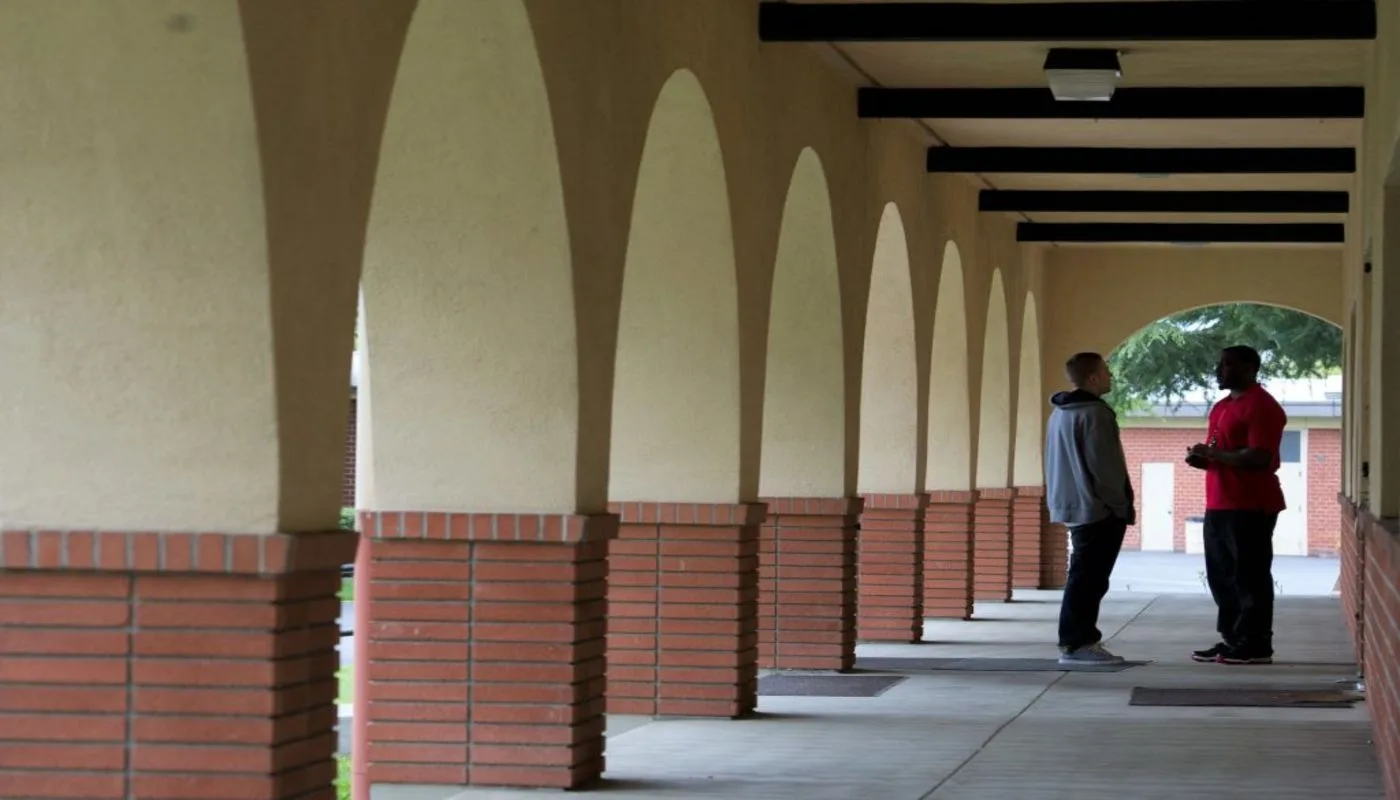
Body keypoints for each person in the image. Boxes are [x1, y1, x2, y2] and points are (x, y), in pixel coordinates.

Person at [1186, 345, 1287, 665]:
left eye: (1227, 365)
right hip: (1219, 502)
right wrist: (1203, 459)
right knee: (1222, 577)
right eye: (1220, 364)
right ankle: (1232, 639)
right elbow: (1223, 452)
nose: (1219, 370)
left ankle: (1256, 645)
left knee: (1249, 577)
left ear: (1249, 369)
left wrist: (1213, 454)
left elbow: (1259, 457)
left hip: (1251, 504)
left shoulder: (1262, 406)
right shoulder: (1222, 407)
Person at [1045, 352, 1135, 665]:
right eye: (1106, 371)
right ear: (1093, 378)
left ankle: (1077, 641)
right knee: (1089, 579)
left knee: (1084, 575)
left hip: (1072, 504)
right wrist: (1119, 505)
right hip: (1097, 509)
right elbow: (1105, 468)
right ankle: (1078, 644)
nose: (1111, 376)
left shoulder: (1059, 413)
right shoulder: (1096, 414)